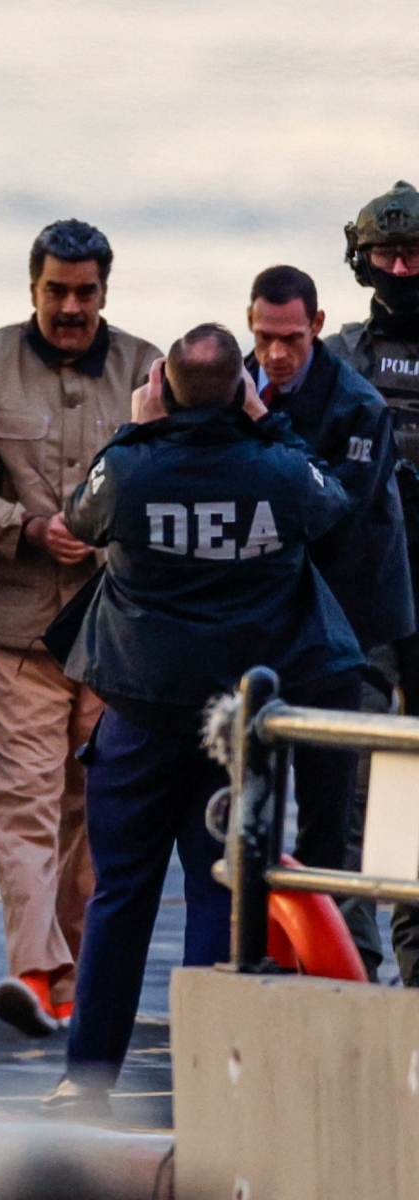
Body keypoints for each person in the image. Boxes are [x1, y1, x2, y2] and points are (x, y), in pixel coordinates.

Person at [42, 323, 363, 1114]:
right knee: (221, 896)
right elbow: (334, 503)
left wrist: (134, 428)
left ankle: (87, 1080)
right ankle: (209, 1087)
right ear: (241, 391)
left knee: (120, 896)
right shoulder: (280, 469)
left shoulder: (130, 469)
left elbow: (80, 519)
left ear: (162, 388)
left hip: (140, 715)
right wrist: (268, 420)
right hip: (239, 725)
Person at [0, 219, 160, 1036]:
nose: (70, 307)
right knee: (21, 805)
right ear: (33, 287)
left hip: (110, 632)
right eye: (56, 290)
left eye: (85, 292)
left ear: (104, 291)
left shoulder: (147, 368)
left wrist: (108, 536)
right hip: (11, 629)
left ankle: (79, 981)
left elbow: (173, 474)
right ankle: (36, 971)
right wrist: (22, 526)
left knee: (93, 810)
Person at [246, 264, 413, 979]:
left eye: (290, 338)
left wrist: (264, 428)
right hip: (271, 607)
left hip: (354, 614)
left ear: (316, 326)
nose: (276, 353)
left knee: (348, 793)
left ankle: (352, 959)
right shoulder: (236, 380)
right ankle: (274, 948)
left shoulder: (357, 403)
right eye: (264, 337)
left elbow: (330, 508)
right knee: (252, 791)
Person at [325, 181, 419, 986]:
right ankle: (351, 960)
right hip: (365, 600)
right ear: (361, 261)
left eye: (414, 255)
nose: (401, 270)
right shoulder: (338, 360)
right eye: (388, 255)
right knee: (353, 780)